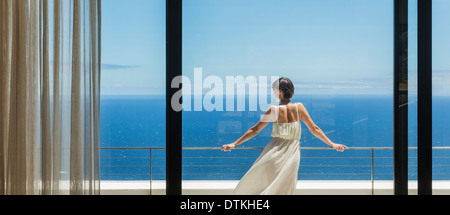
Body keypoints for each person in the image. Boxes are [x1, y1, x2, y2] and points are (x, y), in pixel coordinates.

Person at [221, 77, 348, 195]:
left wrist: (234, 144)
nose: (273, 93)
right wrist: (332, 144)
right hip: (292, 154)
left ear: (280, 91)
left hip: (273, 153)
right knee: (285, 189)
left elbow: (254, 130)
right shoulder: (299, 108)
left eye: (274, 90)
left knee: (265, 187)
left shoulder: (273, 110)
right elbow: (314, 129)